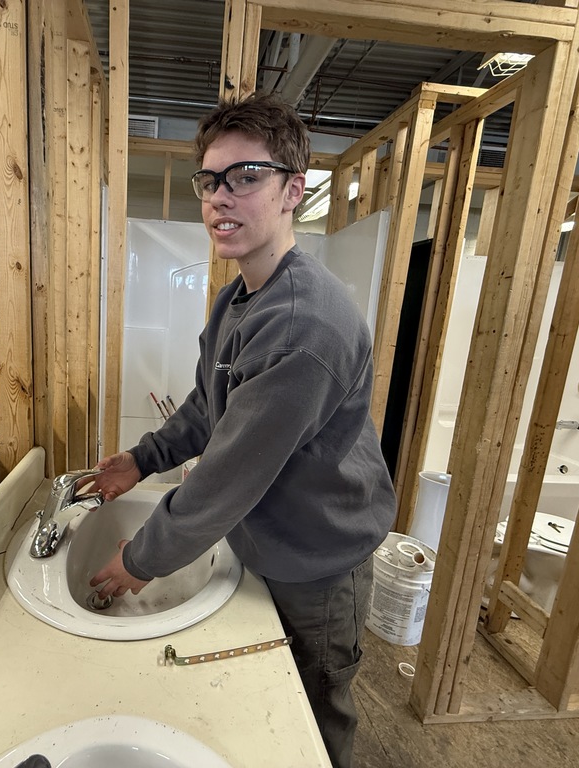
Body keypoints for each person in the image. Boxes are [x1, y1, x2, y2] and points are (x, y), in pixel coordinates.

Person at [88, 92, 396, 768]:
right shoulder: (240, 298)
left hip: (318, 562)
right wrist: (142, 461)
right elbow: (209, 408)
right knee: (266, 713)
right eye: (210, 180)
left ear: (293, 189)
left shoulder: (303, 325)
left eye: (246, 177)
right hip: (269, 543)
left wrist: (138, 561)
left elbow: (227, 476)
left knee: (313, 718)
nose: (220, 198)